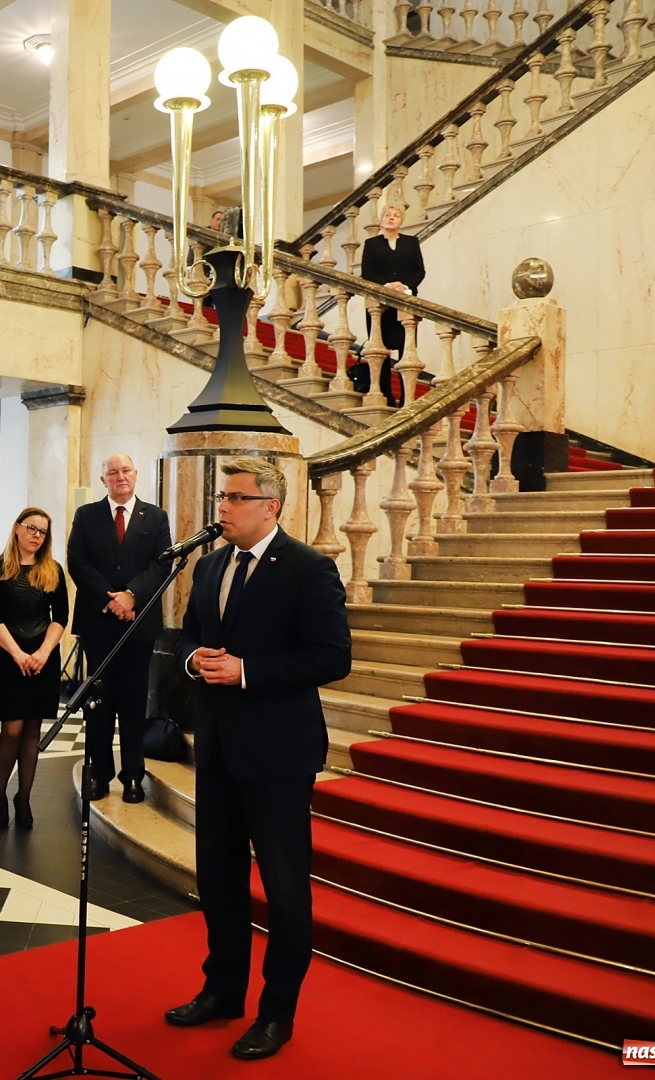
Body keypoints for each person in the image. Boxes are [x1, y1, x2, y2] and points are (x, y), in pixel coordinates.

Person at [165, 458, 351, 1061]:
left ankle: (277, 1014)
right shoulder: (212, 563)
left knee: (285, 891)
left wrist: (247, 671)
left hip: (277, 755)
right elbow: (190, 634)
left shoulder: (308, 568)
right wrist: (195, 661)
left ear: (271, 506)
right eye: (221, 496)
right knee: (218, 882)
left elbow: (331, 657)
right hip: (217, 747)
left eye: (235, 498)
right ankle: (222, 991)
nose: (222, 508)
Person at [66, 454, 173, 804]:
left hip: (138, 625)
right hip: (98, 625)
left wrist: (131, 596)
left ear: (136, 474)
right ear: (103, 480)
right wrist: (110, 600)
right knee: (99, 703)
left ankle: (132, 777)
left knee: (132, 703)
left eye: (126, 470)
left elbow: (161, 564)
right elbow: (77, 563)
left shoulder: (156, 516)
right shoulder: (86, 515)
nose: (120, 476)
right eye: (112, 472)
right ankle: (99, 773)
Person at [0, 508, 69, 830]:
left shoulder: (53, 570)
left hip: (43, 660)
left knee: (33, 729)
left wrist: (44, 652)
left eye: (43, 531)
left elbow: (60, 616)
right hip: (9, 658)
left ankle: (24, 797)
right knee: (12, 729)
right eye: (31, 528)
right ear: (18, 529)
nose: (37, 535)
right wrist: (18, 653)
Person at [356, 203, 426, 407]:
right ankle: (385, 395)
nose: (391, 218)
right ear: (381, 220)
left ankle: (407, 397)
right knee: (381, 349)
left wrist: (404, 286)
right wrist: (387, 285)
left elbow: (419, 270)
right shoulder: (372, 244)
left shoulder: (411, 243)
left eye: (395, 215)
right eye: (387, 215)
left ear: (401, 221)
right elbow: (367, 272)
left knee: (407, 349)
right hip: (380, 304)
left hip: (405, 301)